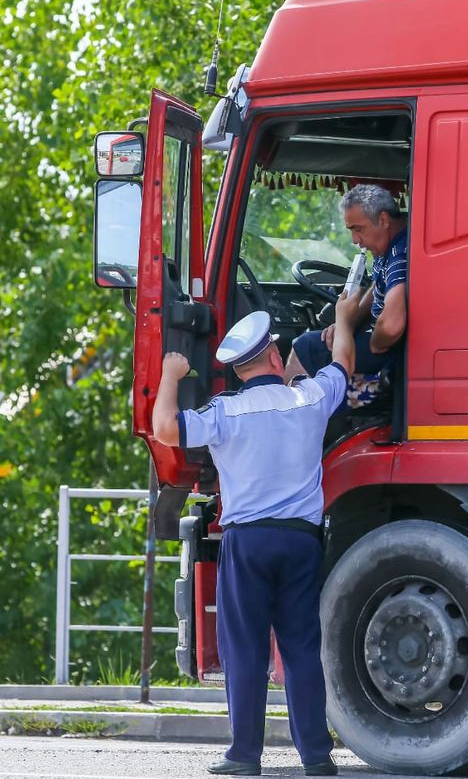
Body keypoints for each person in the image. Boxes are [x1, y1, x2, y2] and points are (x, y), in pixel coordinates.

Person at [151, 292, 360, 777]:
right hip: (301, 541)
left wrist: (171, 374)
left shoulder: (226, 413)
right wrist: (344, 319)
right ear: (274, 357)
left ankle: (244, 755)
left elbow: (164, 428)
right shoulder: (309, 399)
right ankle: (316, 757)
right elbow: (343, 365)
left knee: (244, 648)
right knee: (301, 648)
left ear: (239, 370)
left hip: (247, 543)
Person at [283, 183, 408, 382]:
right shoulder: (386, 243)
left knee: (305, 346)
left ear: (384, 220)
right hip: (378, 335)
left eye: (358, 229)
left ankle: (293, 403)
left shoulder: (400, 253)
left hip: (393, 351)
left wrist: (374, 343)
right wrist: (347, 324)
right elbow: (378, 285)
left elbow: (391, 326)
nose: (355, 240)